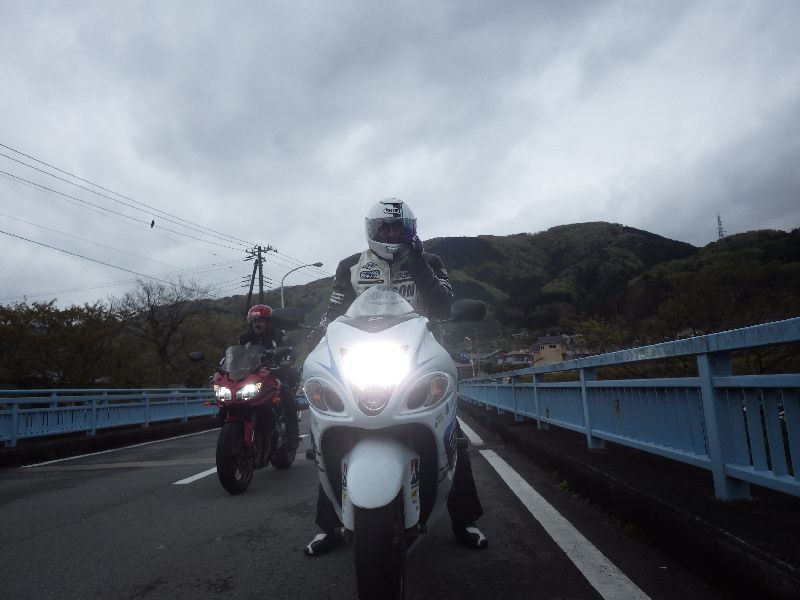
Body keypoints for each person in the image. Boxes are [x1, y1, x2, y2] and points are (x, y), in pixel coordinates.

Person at [303, 198, 488, 556]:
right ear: (372, 230)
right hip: (360, 356)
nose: (391, 234)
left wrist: (417, 260)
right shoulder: (350, 266)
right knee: (328, 432)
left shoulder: (430, 261)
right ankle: (329, 525)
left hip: (418, 355)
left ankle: (465, 519)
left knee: (452, 434)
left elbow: (443, 305)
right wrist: (314, 340)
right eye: (384, 228)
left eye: (398, 228)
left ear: (411, 231)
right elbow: (334, 313)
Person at [241, 304, 300, 450]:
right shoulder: (245, 339)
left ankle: (293, 433)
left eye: (260, 320)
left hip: (276, 374)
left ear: (268, 322)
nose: (257, 324)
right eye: (254, 321)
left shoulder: (278, 336)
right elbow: (234, 355)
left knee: (285, 393)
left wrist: (288, 360)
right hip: (252, 377)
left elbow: (292, 350)